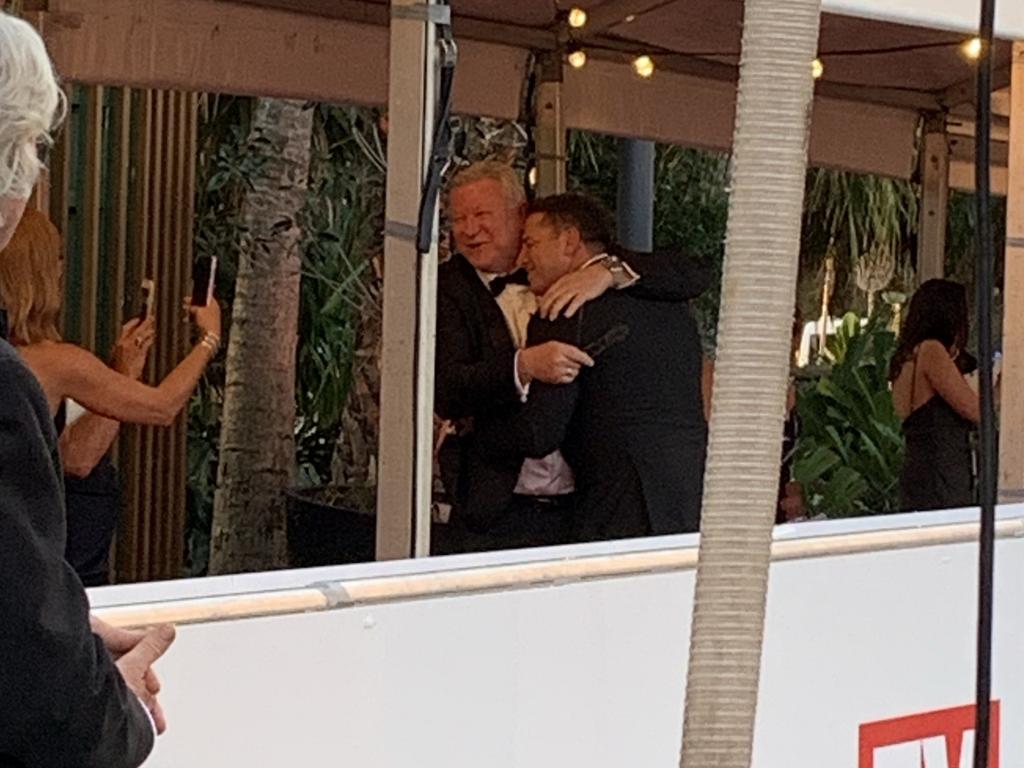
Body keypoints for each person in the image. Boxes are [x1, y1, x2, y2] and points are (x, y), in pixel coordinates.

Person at [0, 12, 173, 765]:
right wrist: (113, 698)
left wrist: (59, 623)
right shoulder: (37, 369)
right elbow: (55, 714)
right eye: (33, 148)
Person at [435, 161, 708, 551]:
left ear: (520, 214)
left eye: (481, 214)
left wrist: (608, 271)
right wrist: (523, 366)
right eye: (458, 218)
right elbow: (448, 384)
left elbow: (692, 271)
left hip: (590, 504)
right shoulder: (443, 288)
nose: (468, 228)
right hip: (500, 504)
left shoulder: (584, 291)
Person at [0, 209, 222, 584]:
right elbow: (162, 406)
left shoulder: (28, 357)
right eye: (54, 260)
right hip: (49, 556)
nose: (60, 270)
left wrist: (122, 373)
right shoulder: (55, 362)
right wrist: (208, 340)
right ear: (35, 271)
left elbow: (75, 456)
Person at [889, 279, 983, 512]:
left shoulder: (910, 356)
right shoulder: (931, 351)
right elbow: (975, 409)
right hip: (939, 474)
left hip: (926, 470)